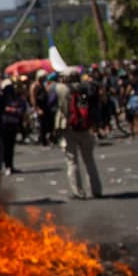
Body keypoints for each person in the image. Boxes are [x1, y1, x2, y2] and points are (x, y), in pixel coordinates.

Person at [55, 70, 102, 199]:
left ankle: (78, 191)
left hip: (69, 126)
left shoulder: (61, 89)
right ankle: (96, 189)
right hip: (85, 126)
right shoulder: (86, 88)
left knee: (72, 161)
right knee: (89, 160)